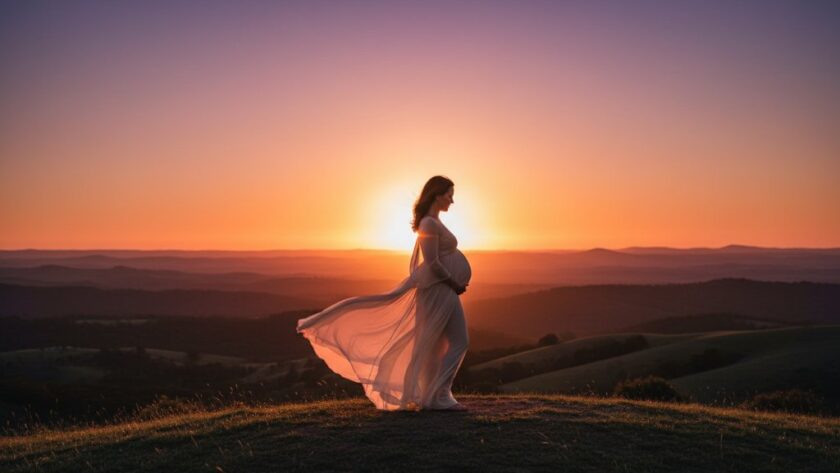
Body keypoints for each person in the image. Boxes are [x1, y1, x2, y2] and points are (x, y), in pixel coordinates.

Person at [296, 175, 472, 411]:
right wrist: (454, 283)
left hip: (443, 289)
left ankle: (435, 396)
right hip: (439, 289)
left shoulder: (435, 222)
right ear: (436, 194)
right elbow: (432, 262)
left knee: (439, 344)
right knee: (455, 341)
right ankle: (438, 396)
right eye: (449, 194)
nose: (452, 200)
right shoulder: (429, 224)